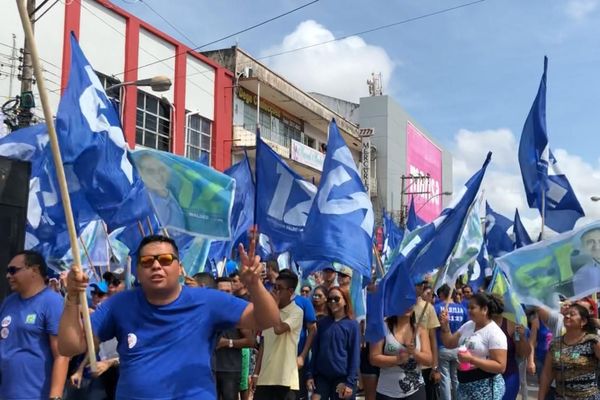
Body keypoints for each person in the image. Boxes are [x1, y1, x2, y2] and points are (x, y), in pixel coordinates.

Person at [59, 234, 280, 399]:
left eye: (165, 259)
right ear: (138, 270)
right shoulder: (119, 304)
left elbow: (268, 320)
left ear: (179, 267)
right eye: (147, 261)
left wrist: (255, 284)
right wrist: (72, 297)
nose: (156, 265)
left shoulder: (208, 301)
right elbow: (69, 347)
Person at [0, 250, 70, 400]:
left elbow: (62, 356)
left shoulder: (52, 302)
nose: (8, 276)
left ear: (34, 270)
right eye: (7, 271)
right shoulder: (9, 302)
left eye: (13, 271)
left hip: (37, 395)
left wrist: (55, 397)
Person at [439, 292, 507, 399]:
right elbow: (449, 343)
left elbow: (500, 366)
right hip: (465, 387)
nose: (469, 311)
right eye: (468, 307)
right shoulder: (468, 325)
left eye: (472, 308)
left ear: (484, 309)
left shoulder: (494, 333)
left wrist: (471, 359)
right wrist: (445, 326)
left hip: (485, 388)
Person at [254, 269, 303, 400]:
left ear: (291, 291)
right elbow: (263, 345)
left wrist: (273, 307)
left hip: (285, 380)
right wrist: (255, 374)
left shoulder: (296, 312)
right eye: (274, 287)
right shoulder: (268, 311)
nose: (275, 291)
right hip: (265, 379)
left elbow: (279, 329)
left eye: (280, 288)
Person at [307, 286, 361, 400]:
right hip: (322, 377)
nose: (332, 302)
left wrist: (350, 382)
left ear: (345, 301)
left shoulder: (353, 325)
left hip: (342, 378)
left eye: (336, 299)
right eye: (330, 299)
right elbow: (315, 351)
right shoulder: (322, 323)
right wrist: (310, 374)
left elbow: (355, 355)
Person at [369, 304, 432, 400]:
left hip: (416, 390)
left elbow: (429, 360)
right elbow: (373, 358)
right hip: (387, 392)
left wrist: (415, 352)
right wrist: (397, 359)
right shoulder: (381, 327)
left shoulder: (421, 330)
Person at [538, 304, 600, 400]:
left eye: (572, 314)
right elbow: (547, 373)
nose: (567, 316)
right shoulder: (555, 343)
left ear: (583, 321)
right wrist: (541, 397)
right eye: (566, 314)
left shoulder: (593, 341)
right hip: (561, 397)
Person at [214, 277, 256, 400]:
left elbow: (250, 341)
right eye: (221, 291)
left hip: (230, 370)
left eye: (228, 291)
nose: (225, 294)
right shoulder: (207, 311)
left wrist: (227, 343)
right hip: (209, 368)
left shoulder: (238, 311)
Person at [489, 294, 530, 400]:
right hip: (485, 376)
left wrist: (521, 338)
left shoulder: (511, 324)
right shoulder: (480, 325)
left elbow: (523, 353)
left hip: (508, 375)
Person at [434, 284, 468, 400]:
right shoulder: (463, 309)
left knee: (444, 380)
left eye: (439, 295)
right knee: (456, 378)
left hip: (442, 347)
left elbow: (432, 330)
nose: (438, 297)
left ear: (443, 294)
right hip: (458, 348)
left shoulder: (437, 308)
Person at [292, 273, 318, 400]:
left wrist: (302, 356)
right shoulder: (274, 302)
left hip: (299, 361)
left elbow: (312, 330)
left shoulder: (303, 303)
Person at [414, 280, 441, 398]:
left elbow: (433, 338)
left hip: (425, 365)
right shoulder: (399, 308)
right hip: (406, 364)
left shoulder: (428, 307)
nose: (420, 287)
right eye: (417, 284)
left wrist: (435, 367)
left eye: (421, 285)